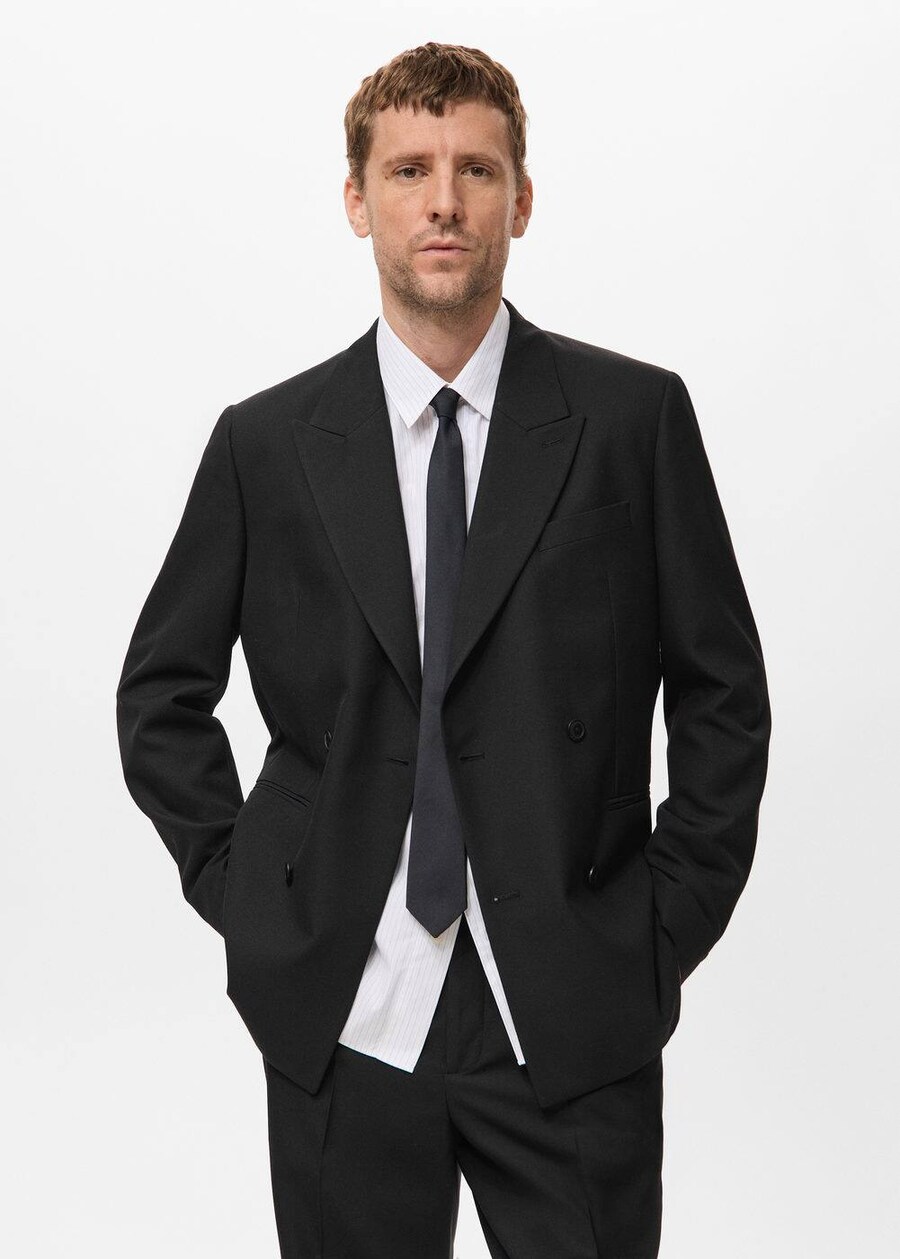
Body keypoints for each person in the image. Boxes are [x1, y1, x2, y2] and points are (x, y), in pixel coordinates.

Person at [116, 40, 771, 1259]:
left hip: (571, 998)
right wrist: (257, 899)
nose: (444, 201)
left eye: (477, 169)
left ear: (522, 199)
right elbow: (162, 694)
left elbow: (724, 696)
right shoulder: (266, 443)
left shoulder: (633, 421)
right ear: (357, 200)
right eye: (409, 169)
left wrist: (657, 928)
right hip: (346, 1003)